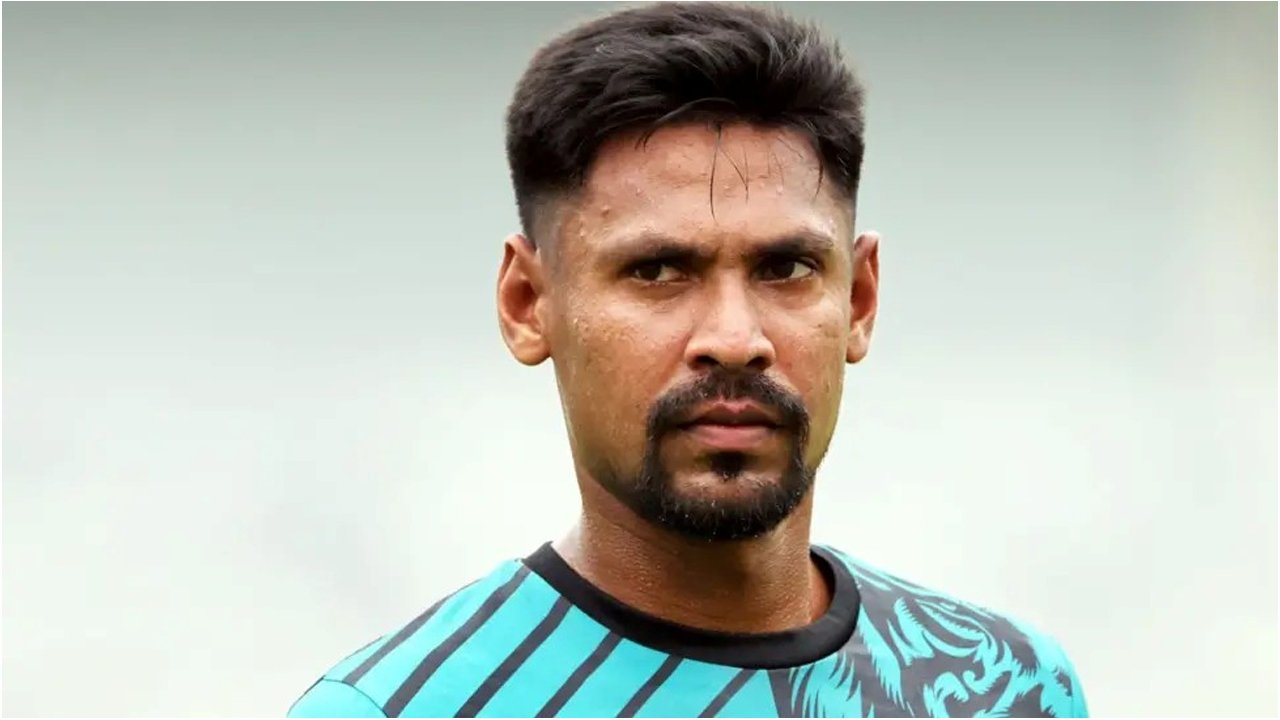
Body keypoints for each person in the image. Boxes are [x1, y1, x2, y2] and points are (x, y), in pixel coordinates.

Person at [288, 3, 1088, 717]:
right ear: (528, 303)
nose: (735, 339)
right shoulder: (394, 710)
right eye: (657, 271)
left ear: (859, 298)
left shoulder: (1009, 688)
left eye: (786, 268)